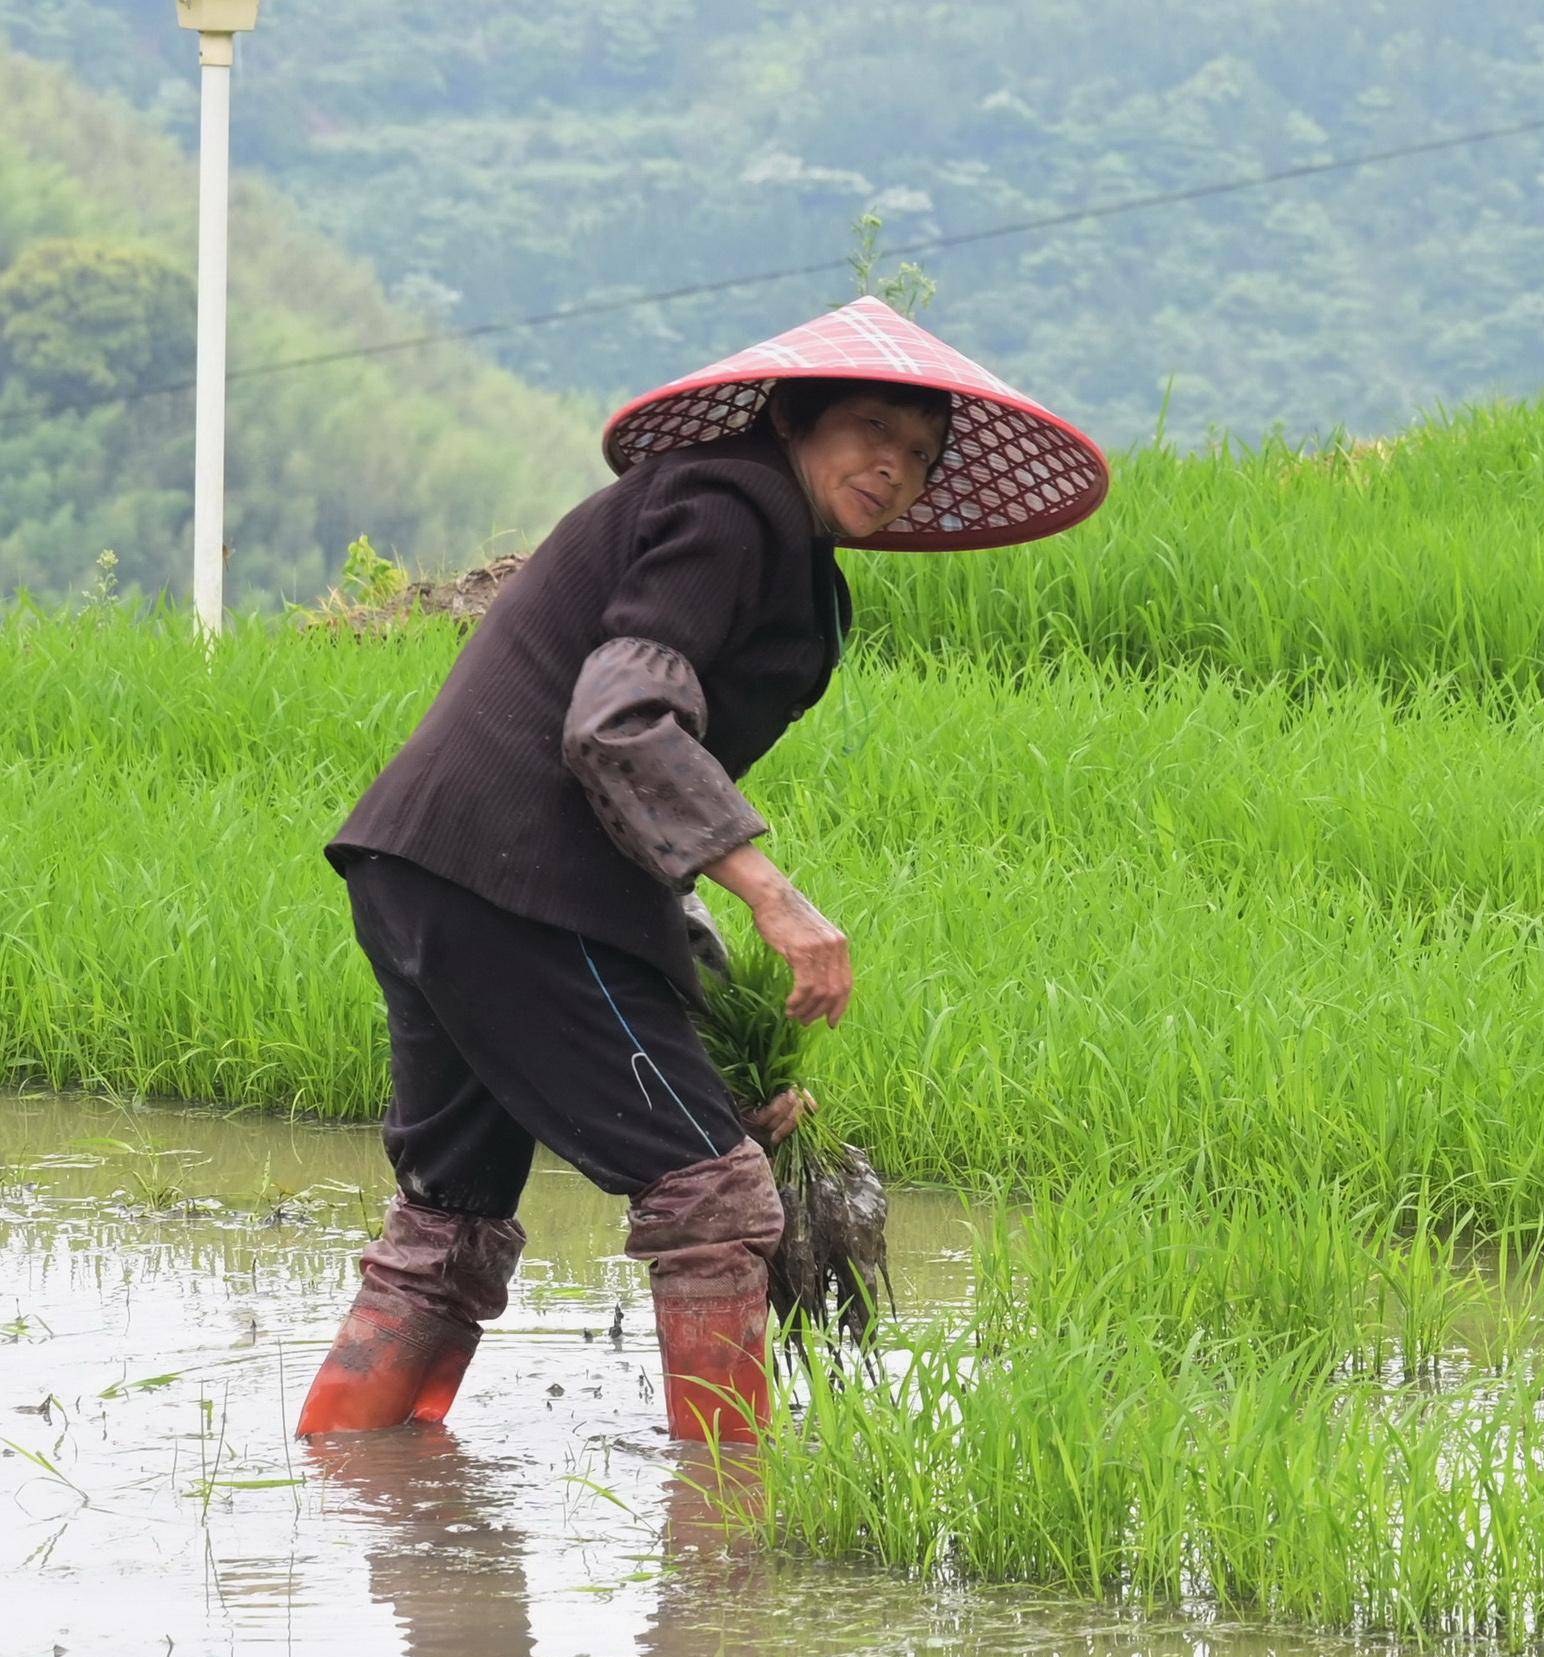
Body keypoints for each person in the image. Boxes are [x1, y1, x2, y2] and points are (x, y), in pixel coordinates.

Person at [294, 297, 1109, 1443]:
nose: (895, 466)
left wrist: (721, 1028)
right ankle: (730, 1521)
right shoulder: (733, 503)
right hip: (514, 880)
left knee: (449, 1224)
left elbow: (640, 815)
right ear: (795, 422)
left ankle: (352, 1479)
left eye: (921, 457)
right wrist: (776, 898)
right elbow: (620, 726)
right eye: (871, 429)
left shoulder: (763, 536)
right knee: (715, 1199)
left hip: (425, 867)